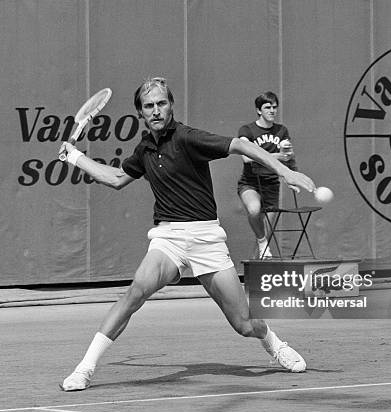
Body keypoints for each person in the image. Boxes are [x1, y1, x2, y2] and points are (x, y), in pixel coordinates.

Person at [58, 77, 315, 391]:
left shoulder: (188, 138)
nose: (156, 110)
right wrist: (74, 157)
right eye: (149, 105)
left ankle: (274, 343)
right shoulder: (144, 149)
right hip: (169, 238)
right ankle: (85, 368)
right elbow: (115, 178)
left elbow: (241, 145)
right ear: (141, 112)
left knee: (244, 324)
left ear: (171, 105)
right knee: (135, 292)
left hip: (207, 238)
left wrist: (285, 171)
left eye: (161, 103)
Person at [237, 91, 295, 259]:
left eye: (274, 107)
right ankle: (262, 246)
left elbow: (288, 157)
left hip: (271, 185)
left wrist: (291, 176)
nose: (272, 111)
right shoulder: (247, 130)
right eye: (267, 107)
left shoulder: (282, 131)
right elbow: (247, 158)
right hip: (250, 183)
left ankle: (255, 275)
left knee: (264, 238)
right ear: (258, 110)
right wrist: (276, 156)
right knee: (254, 211)